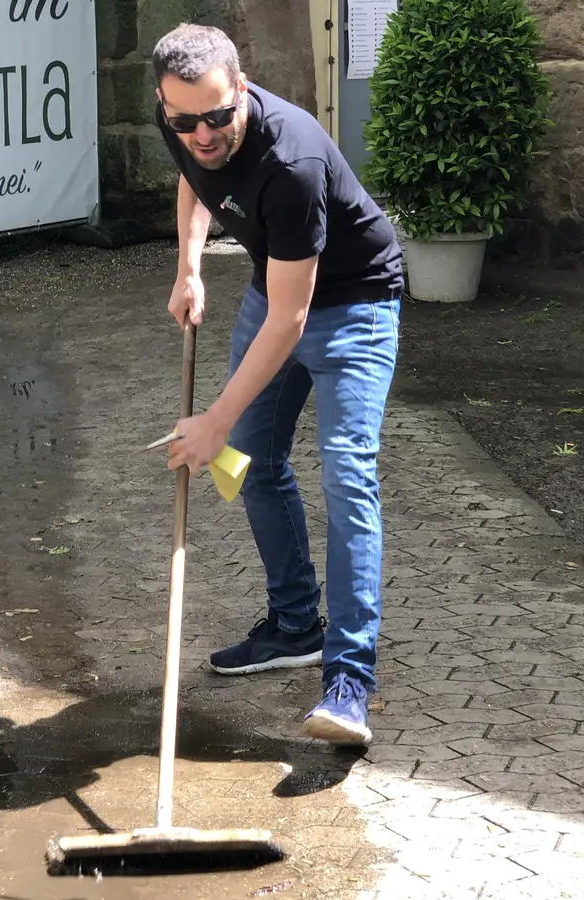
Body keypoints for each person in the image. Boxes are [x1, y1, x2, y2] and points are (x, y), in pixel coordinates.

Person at [149, 23, 404, 747]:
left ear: (244, 87)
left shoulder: (290, 162)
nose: (202, 134)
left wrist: (214, 419)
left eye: (218, 117)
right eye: (185, 120)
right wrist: (188, 267)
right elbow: (193, 181)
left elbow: (293, 320)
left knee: (348, 479)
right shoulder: (183, 120)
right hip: (275, 295)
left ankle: (348, 684)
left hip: (353, 307)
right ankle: (296, 623)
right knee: (254, 468)